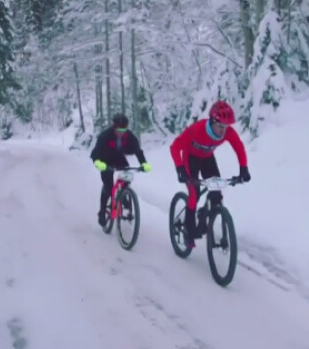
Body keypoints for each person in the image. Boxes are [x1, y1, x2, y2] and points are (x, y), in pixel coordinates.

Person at [169, 100, 251, 248]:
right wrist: (180, 169)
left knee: (216, 191)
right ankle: (189, 230)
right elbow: (175, 147)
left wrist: (243, 168)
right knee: (194, 193)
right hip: (191, 157)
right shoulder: (196, 130)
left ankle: (207, 214)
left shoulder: (228, 133)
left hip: (207, 158)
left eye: (226, 127)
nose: (223, 131)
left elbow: (239, 147)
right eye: (220, 126)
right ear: (212, 121)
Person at [91, 114, 151, 226]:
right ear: (114, 127)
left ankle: (124, 194)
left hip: (119, 158)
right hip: (104, 160)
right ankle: (102, 211)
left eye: (124, 129)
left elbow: (138, 151)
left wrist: (144, 163)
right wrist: (98, 163)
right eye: (119, 129)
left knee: (126, 176)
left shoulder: (129, 136)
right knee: (108, 186)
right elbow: (94, 154)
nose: (121, 132)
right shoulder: (105, 136)